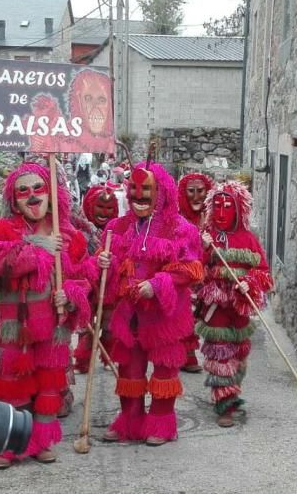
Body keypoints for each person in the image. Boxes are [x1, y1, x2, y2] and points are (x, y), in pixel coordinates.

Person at [0, 162, 93, 469]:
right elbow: (0, 264)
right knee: (12, 386)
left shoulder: (69, 235)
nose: (31, 196)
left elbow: (82, 278)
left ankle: (42, 442)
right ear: (13, 199)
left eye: (38, 189)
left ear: (51, 193)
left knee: (48, 385)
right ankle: (11, 445)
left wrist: (69, 295)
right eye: (23, 191)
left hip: (53, 327)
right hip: (15, 326)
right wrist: (36, 245)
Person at [96, 161, 204, 446]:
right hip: (129, 315)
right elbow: (106, 268)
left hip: (164, 317)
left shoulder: (181, 228)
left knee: (164, 370)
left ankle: (160, 423)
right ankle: (129, 421)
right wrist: (105, 262)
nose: (138, 194)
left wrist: (156, 285)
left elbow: (192, 269)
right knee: (130, 371)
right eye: (133, 187)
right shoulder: (116, 227)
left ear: (162, 192)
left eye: (146, 188)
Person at [196, 181, 273, 427]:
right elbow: (194, 268)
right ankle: (224, 403)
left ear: (239, 209)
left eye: (227, 207)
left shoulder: (249, 239)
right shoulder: (205, 237)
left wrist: (249, 283)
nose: (220, 213)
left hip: (239, 307)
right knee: (220, 353)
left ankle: (231, 391)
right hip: (216, 306)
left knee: (239, 352)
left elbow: (264, 272)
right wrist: (204, 250)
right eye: (216, 206)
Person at [72, 183, 121, 374]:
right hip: (87, 285)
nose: (104, 212)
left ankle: (109, 357)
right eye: (100, 207)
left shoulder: (117, 231)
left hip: (109, 287)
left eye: (109, 209)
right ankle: (82, 361)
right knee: (86, 326)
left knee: (109, 325)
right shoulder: (81, 231)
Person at [177, 172, 216, 374]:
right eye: (190, 191)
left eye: (200, 191)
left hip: (207, 274)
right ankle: (186, 352)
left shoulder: (214, 217)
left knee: (204, 313)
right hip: (186, 274)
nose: (196, 196)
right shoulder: (178, 219)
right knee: (186, 311)